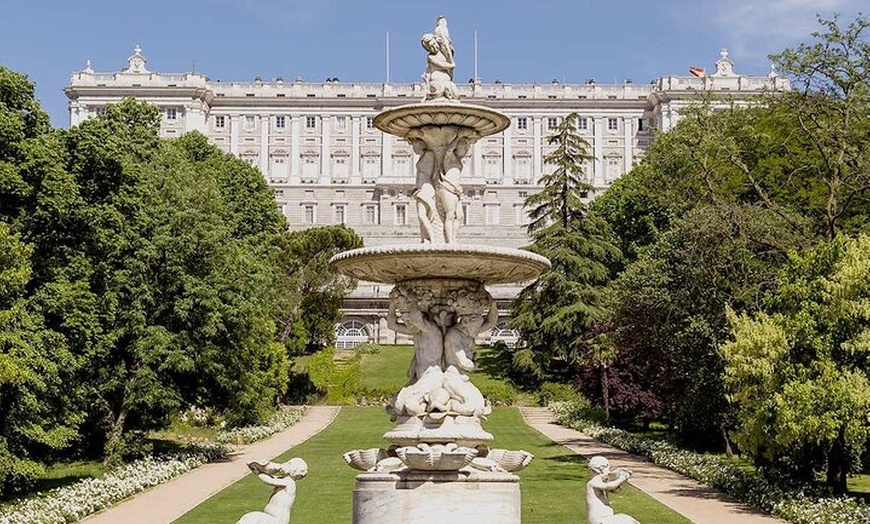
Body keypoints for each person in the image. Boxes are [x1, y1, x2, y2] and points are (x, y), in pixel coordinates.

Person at [236, 458, 308, 524]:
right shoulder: (283, 480)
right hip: (271, 518)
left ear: (293, 471)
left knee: (250, 518)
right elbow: (271, 477)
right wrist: (258, 469)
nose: (284, 463)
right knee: (250, 519)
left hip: (278, 520)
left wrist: (258, 472)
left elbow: (270, 481)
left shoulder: (289, 483)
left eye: (288, 464)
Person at [386, 300, 443, 383]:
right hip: (419, 376)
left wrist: (412, 300)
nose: (407, 324)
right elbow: (391, 325)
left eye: (409, 320)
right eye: (405, 321)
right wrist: (392, 304)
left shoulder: (431, 331)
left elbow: (417, 321)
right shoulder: (416, 332)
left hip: (432, 375)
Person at [438, 130, 476, 243]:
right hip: (446, 188)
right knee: (450, 215)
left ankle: (453, 239)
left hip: (456, 190)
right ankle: (450, 241)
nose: (465, 152)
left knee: (460, 216)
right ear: (458, 147)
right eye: (464, 149)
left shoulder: (459, 161)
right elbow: (449, 149)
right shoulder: (449, 157)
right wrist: (458, 137)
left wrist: (459, 187)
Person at [443, 298, 498, 373]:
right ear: (466, 322)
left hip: (463, 374)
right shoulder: (453, 335)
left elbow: (491, 323)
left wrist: (493, 305)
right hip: (453, 373)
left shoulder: (470, 332)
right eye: (476, 326)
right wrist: (475, 364)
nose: (478, 329)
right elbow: (464, 363)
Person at [585, 456, 640, 524]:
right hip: (599, 520)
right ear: (599, 470)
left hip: (605, 518)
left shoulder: (601, 482)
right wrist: (621, 479)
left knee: (628, 519)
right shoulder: (593, 483)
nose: (609, 471)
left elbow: (614, 489)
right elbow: (608, 486)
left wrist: (621, 478)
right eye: (608, 469)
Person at [406, 130, 439, 243]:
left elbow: (433, 172)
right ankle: (425, 239)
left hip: (426, 188)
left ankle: (433, 239)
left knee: (422, 215)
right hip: (420, 189)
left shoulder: (430, 154)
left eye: (415, 145)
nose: (414, 148)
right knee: (422, 217)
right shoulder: (425, 156)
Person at [421, 33, 457, 100]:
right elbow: (442, 65)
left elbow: (450, 53)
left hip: (447, 81)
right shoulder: (430, 57)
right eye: (431, 47)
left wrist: (444, 43)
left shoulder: (443, 51)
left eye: (434, 44)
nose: (434, 47)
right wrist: (451, 65)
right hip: (436, 81)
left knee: (456, 95)